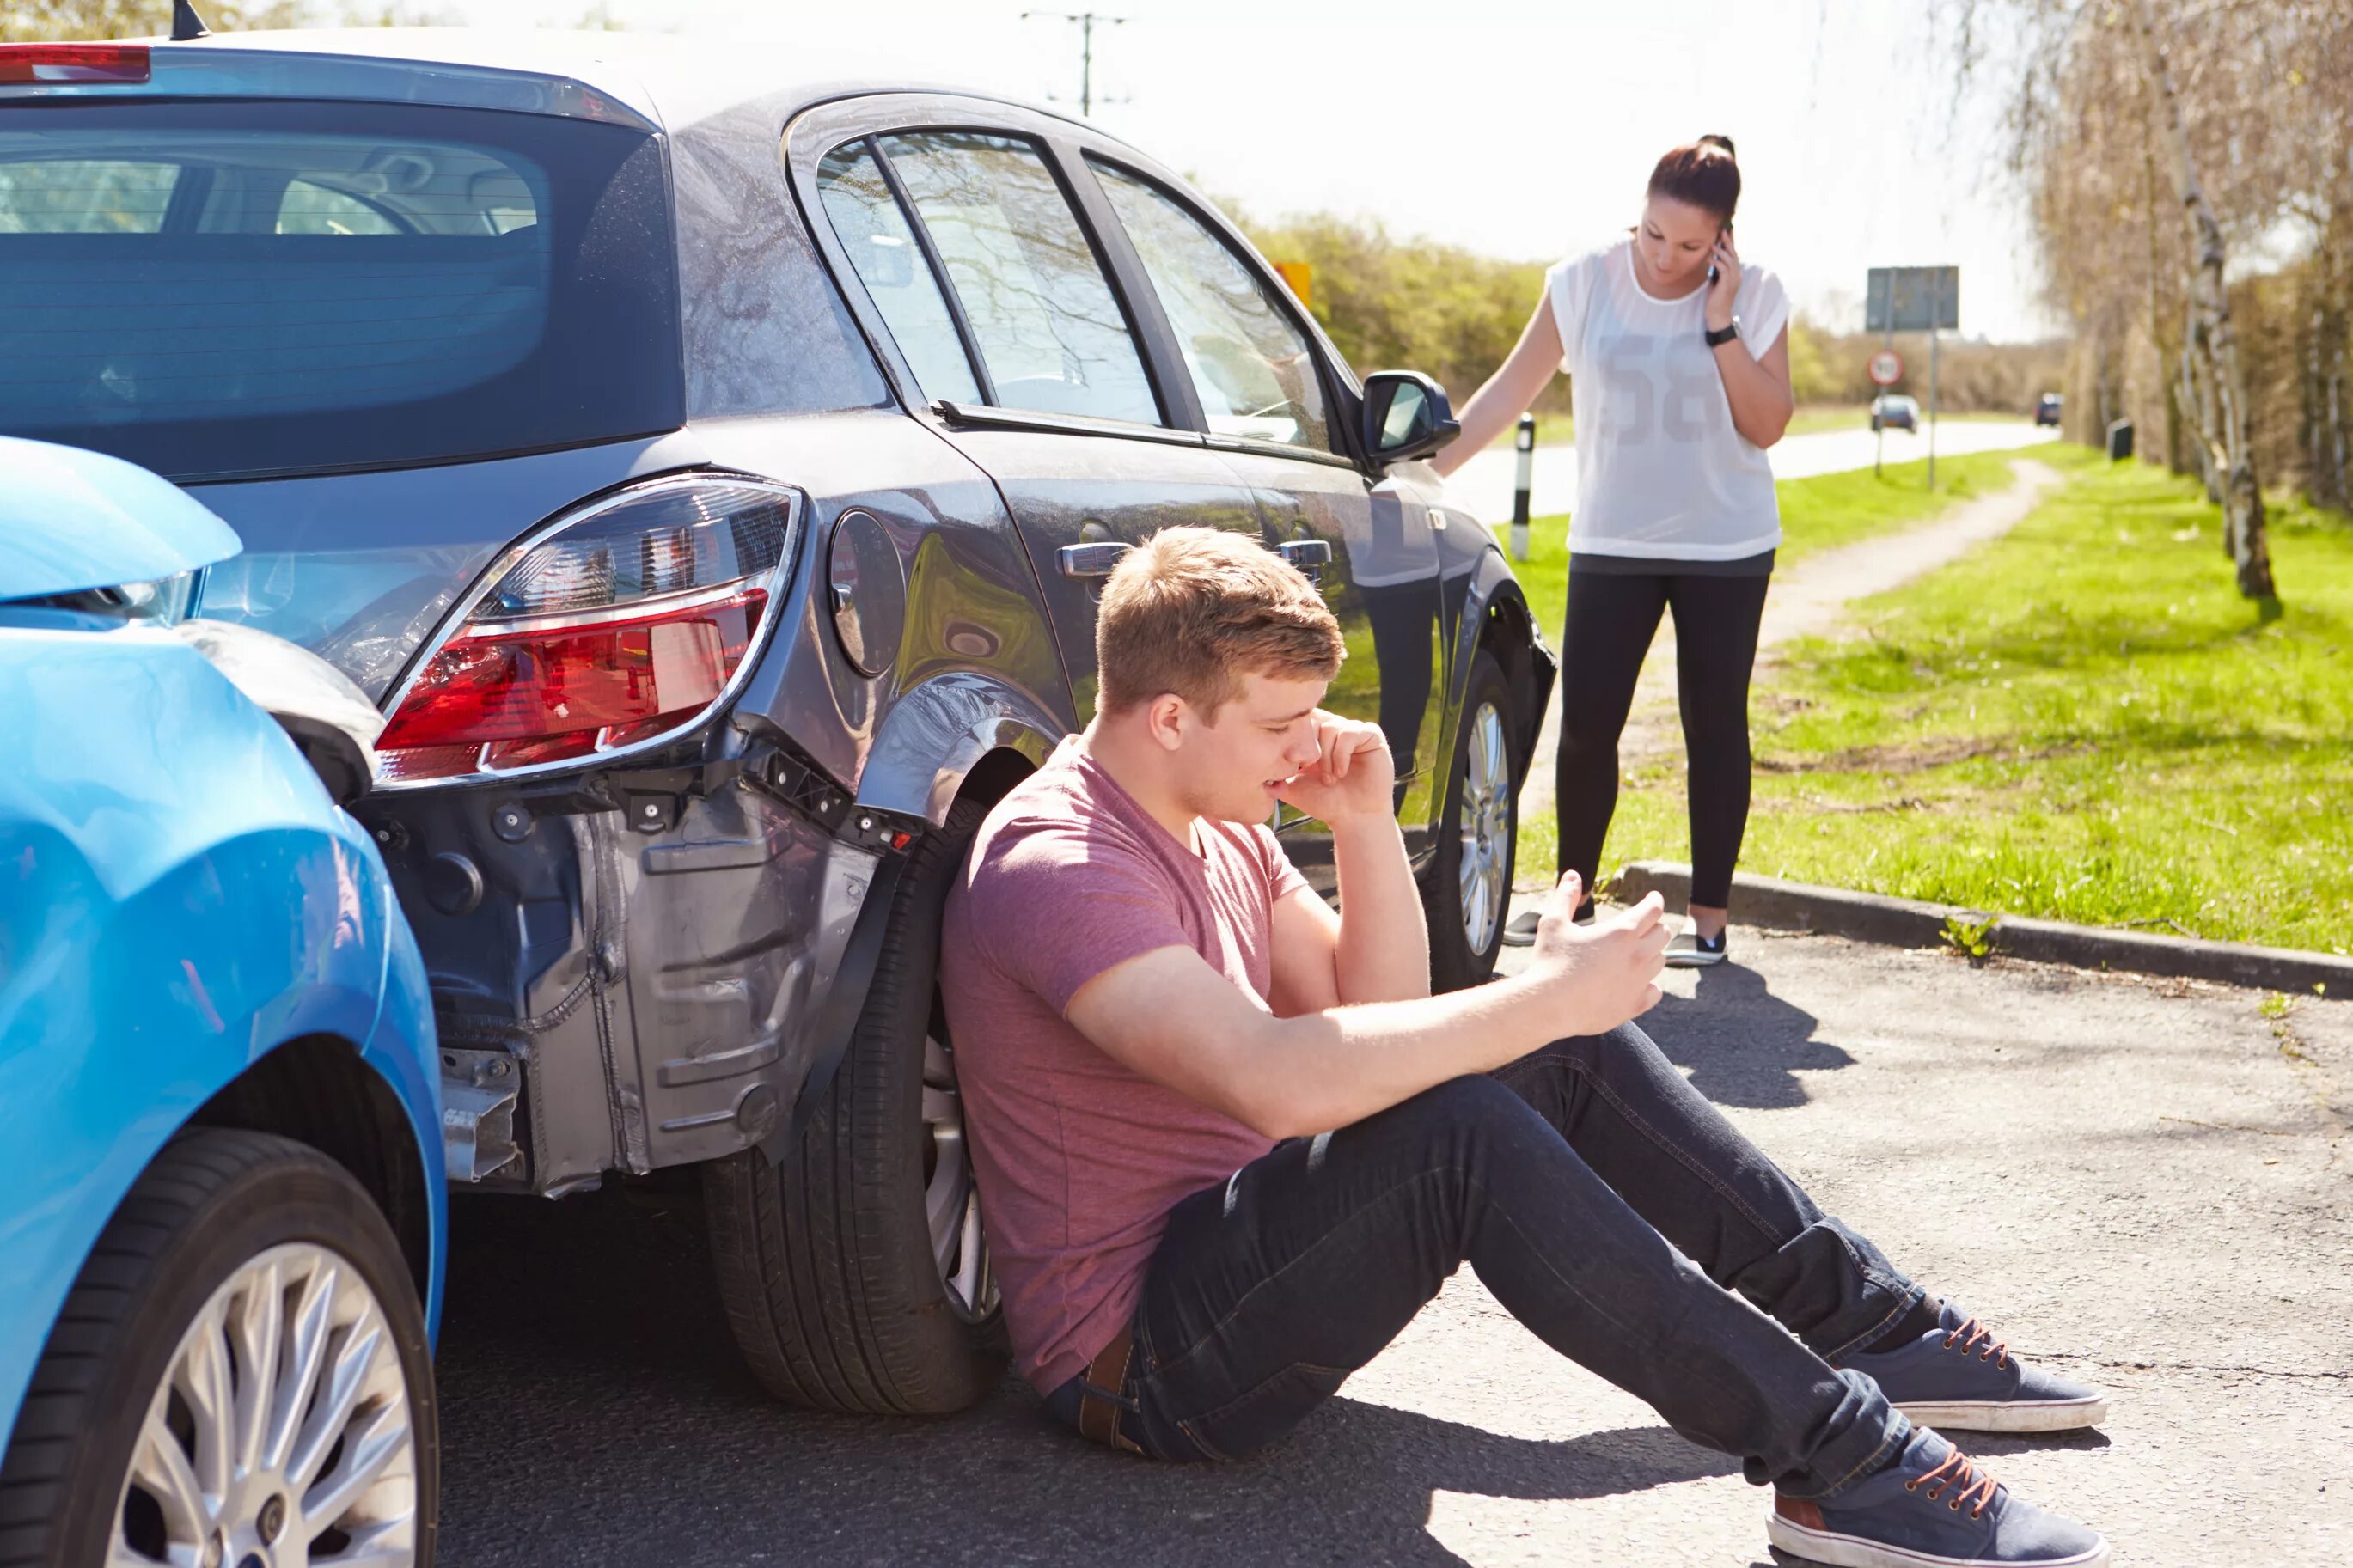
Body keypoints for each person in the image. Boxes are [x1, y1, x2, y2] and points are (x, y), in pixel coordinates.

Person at [938, 527, 2112, 1568]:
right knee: (1474, 1118)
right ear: (1171, 718)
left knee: (1555, 1053)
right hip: (1142, 1361)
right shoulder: (1062, 863)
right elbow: (1278, 1078)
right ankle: (1842, 1463)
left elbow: (1380, 1014)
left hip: (1246, 1252)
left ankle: (1878, 1330)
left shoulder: (1205, 821)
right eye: (1279, 723)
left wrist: (1361, 821)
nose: (1303, 750)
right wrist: (1547, 996)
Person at [1438, 135, 1789, 967]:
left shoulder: (1758, 295)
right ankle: (1572, 898)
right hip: (1610, 541)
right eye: (1652, 235)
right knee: (1587, 726)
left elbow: (1766, 423)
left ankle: (1706, 921)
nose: (1666, 258)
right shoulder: (1582, 281)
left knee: (1714, 725)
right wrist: (1422, 470)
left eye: (1691, 246)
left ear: (1724, 240)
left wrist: (1717, 324)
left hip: (1725, 544)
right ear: (1635, 216)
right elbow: (1504, 393)